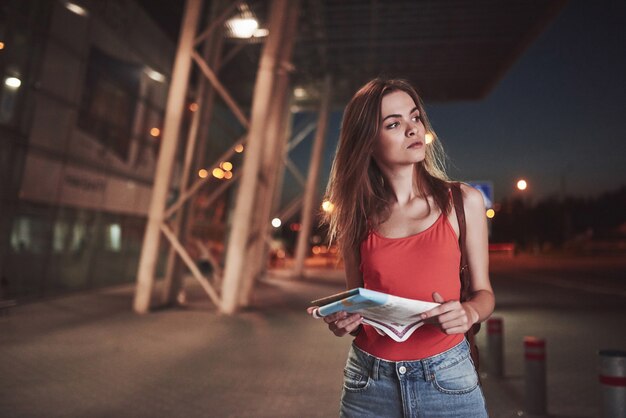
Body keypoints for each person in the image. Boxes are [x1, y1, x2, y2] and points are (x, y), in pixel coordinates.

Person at [307, 78, 495, 417]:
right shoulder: (355, 216)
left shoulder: (463, 201)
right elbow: (358, 299)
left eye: (415, 117)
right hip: (368, 384)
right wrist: (345, 320)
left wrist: (467, 313)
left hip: (447, 379)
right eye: (394, 124)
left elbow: (484, 294)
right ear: (367, 142)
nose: (412, 129)